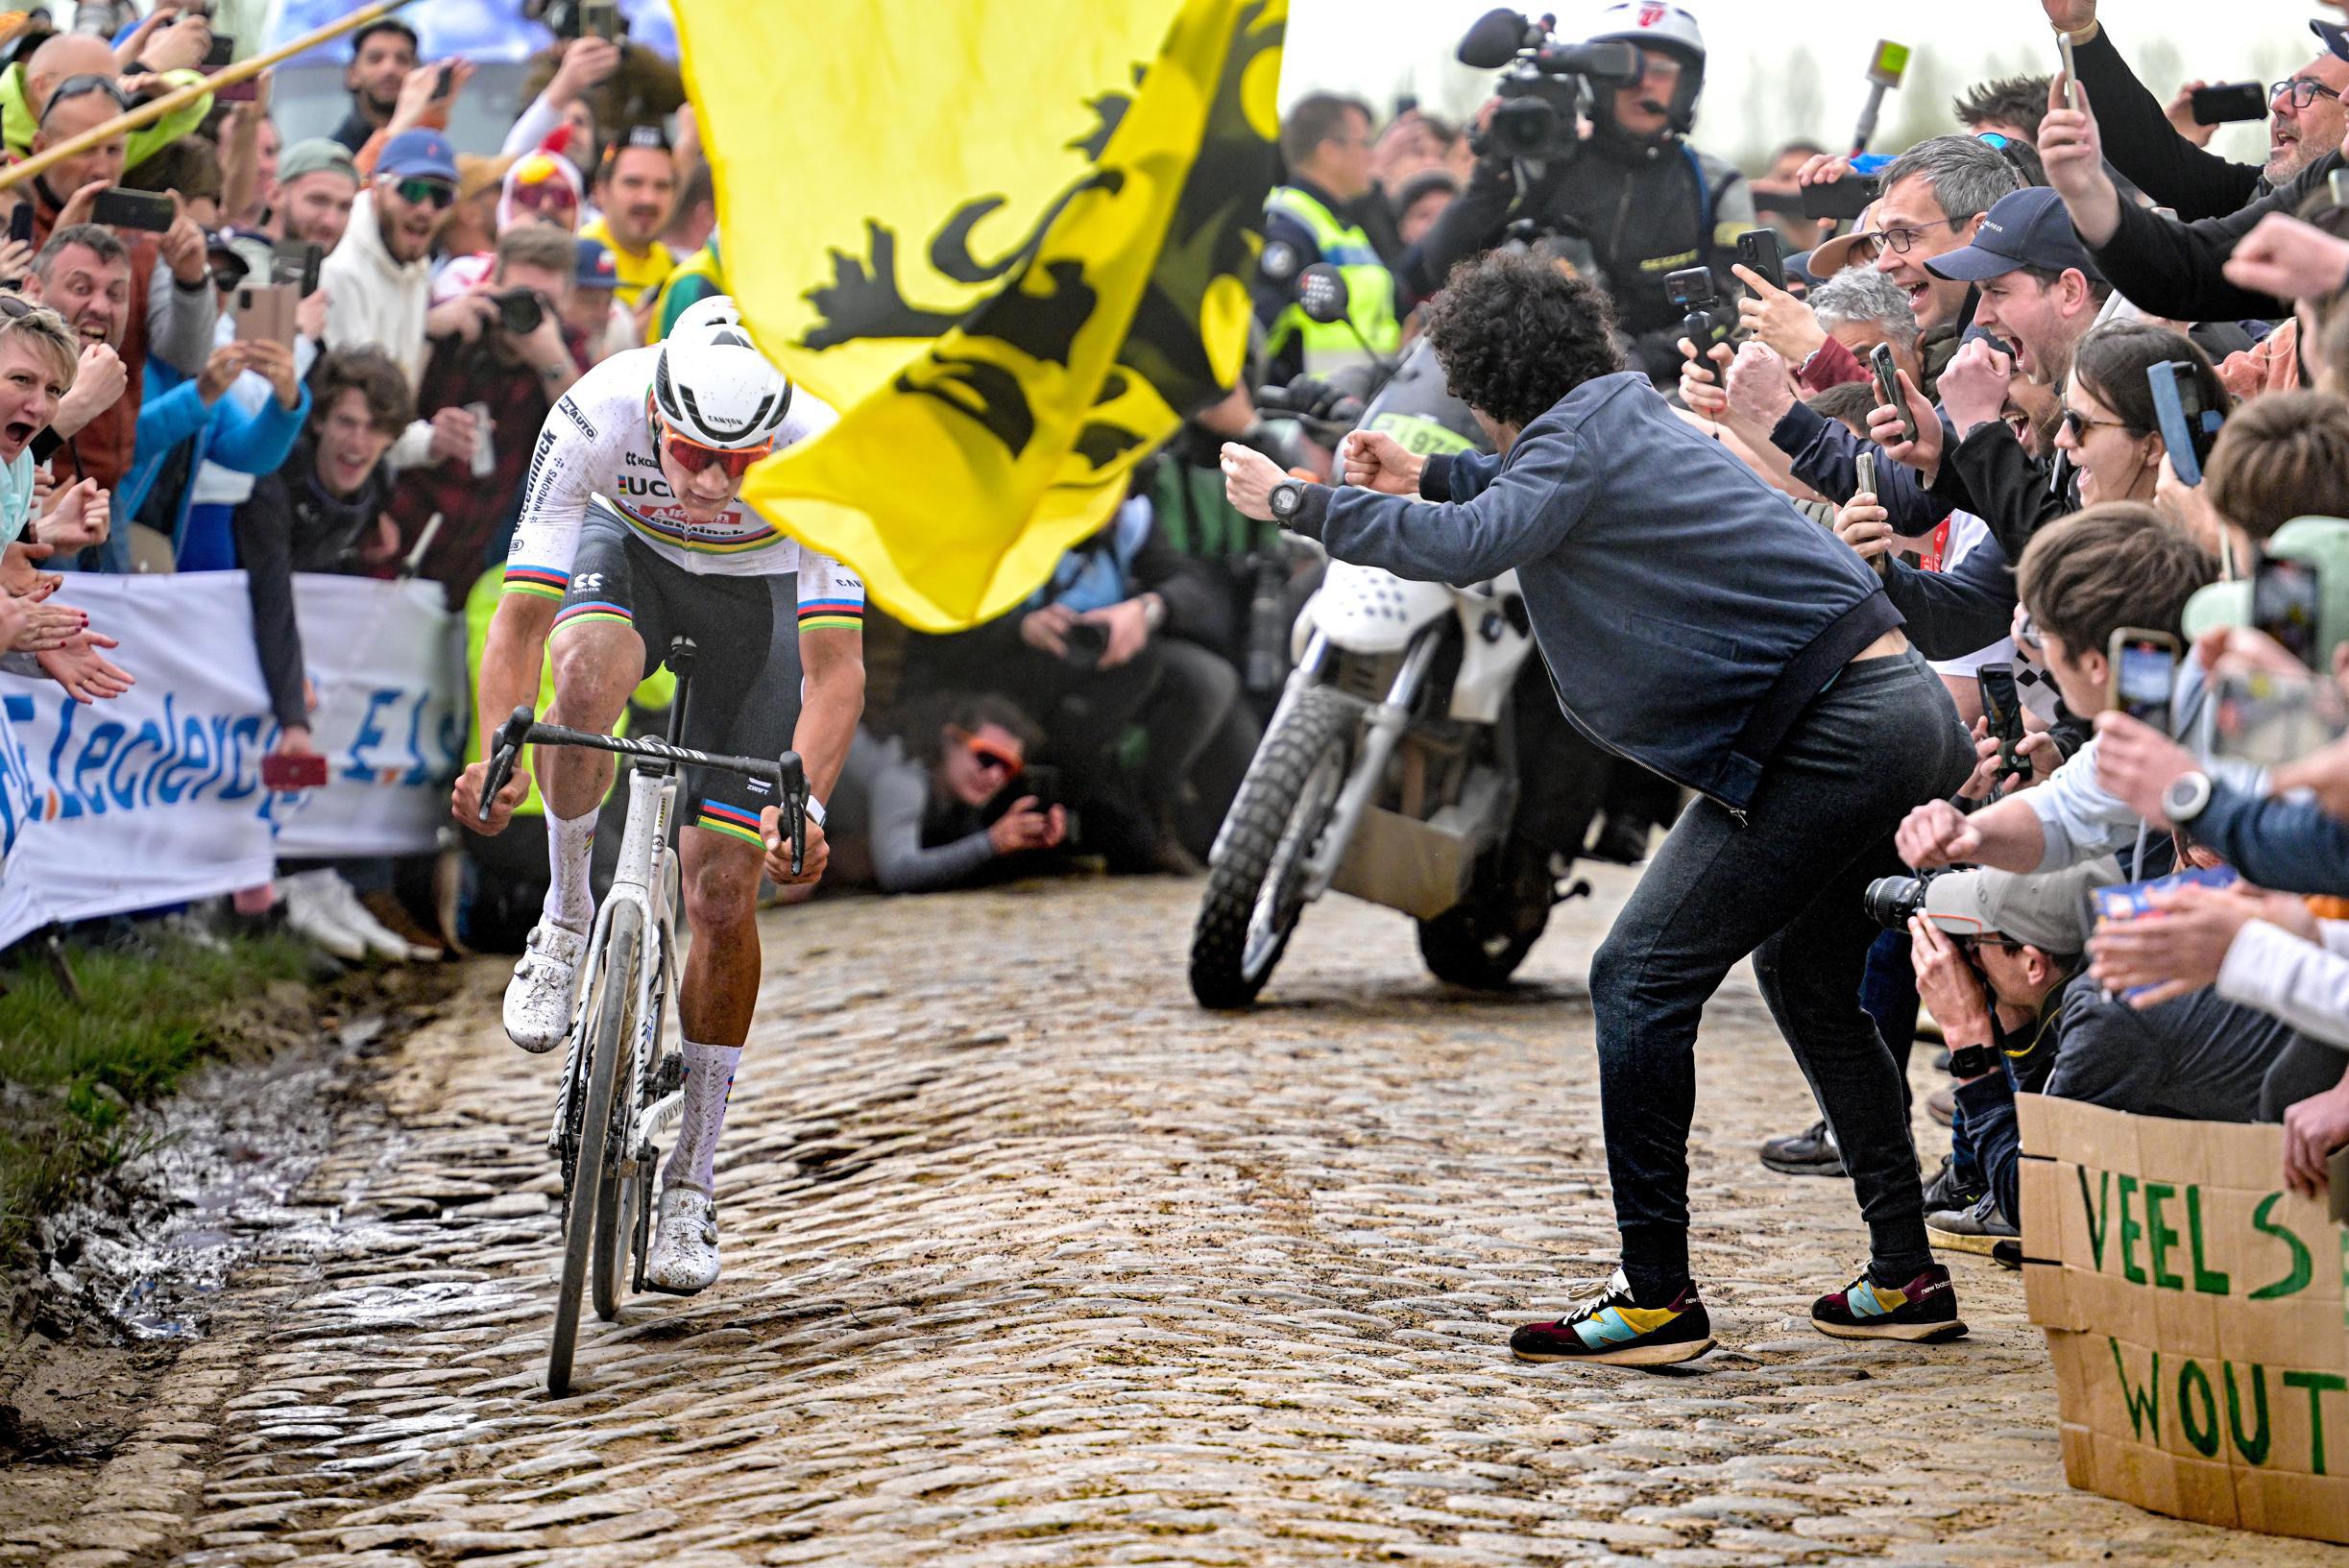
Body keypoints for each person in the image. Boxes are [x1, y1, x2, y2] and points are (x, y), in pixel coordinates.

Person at [1221, 252, 1976, 1365]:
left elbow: (1480, 543)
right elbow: (1521, 503)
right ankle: (1905, 1272)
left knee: (1638, 972)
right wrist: (1416, 480)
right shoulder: (1616, 412)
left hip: (1834, 729)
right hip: (1897, 705)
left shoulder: (1575, 436)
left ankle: (1655, 1295)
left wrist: (1300, 505)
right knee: (1804, 980)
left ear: (1483, 376)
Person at [453, 298, 865, 1295]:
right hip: (630, 559)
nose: (719, 484)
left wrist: (801, 808)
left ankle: (692, 1177)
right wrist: (497, 750)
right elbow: (517, 625)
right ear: (656, 416)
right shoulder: (596, 413)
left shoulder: (824, 451)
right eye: (693, 455)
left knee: (723, 892)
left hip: (761, 613)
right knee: (584, 673)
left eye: (746, 464)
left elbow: (836, 672)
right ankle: (563, 915)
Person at [1402, 2, 1753, 385]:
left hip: (1672, 388)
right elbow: (1441, 266)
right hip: (1538, 386)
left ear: (1686, 86)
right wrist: (1492, 172)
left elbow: (1740, 304)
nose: (1643, 82)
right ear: (1596, 79)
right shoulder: (1540, 171)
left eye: (1661, 70)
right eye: (1624, 67)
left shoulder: (1717, 184)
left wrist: (1646, 357)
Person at [389, 226, 581, 603]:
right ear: (493, 285)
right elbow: (387, 417)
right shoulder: (455, 331)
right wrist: (427, 333)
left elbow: (587, 441)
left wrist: (552, 362)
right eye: (520, 297)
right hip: (398, 536)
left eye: (546, 303)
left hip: (477, 562)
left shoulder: (561, 349)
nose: (529, 314)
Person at [2049, 0, 2346, 221]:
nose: (2279, 104)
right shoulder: (2255, 198)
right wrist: (2079, 32)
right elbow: (2151, 154)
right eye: (2285, 89)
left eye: (2309, 90)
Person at [830, 693, 1071, 893]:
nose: (995, 777)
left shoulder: (949, 784)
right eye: (986, 757)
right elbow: (897, 873)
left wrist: (1034, 837)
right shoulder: (905, 779)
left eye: (1008, 768)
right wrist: (992, 842)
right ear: (949, 740)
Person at [1255, 93, 1401, 383]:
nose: (1373, 156)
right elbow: (1256, 334)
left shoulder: (1338, 224)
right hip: (1307, 415)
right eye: (1365, 144)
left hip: (1359, 404)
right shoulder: (1289, 227)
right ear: (1329, 152)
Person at [580, 124, 677, 315]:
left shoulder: (678, 271)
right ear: (601, 191)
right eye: (633, 183)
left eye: (662, 186)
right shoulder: (575, 261)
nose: (648, 198)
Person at [330, 17, 419, 155]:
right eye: (375, 59)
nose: (389, 69)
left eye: (402, 59)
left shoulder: (428, 148)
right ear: (352, 74)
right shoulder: (335, 156)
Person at [271, 138, 361, 253]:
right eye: (318, 201)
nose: (330, 222)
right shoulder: (247, 266)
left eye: (344, 207)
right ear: (276, 195)